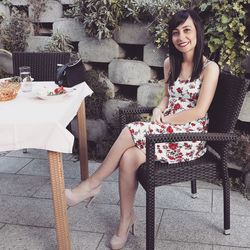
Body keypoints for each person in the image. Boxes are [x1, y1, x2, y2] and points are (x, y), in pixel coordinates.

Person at [65, 9, 219, 250]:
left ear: (198, 32)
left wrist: (165, 121)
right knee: (129, 157)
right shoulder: (171, 63)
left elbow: (199, 111)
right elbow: (167, 97)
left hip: (190, 136)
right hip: (166, 130)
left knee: (131, 129)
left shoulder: (210, 68)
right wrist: (158, 110)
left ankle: (91, 184)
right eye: (176, 32)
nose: (181, 37)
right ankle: (125, 221)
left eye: (187, 30)